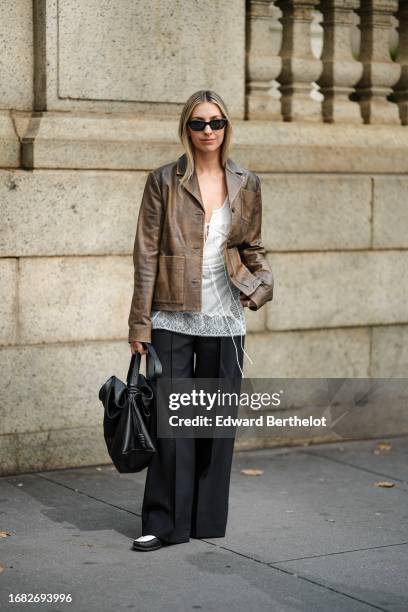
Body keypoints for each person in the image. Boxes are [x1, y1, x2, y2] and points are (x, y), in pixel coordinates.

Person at [128, 89, 273, 551]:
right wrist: (139, 324)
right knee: (173, 427)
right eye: (198, 123)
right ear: (186, 129)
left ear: (227, 127)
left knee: (214, 423)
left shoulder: (246, 182)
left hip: (227, 316)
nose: (207, 130)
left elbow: (252, 248)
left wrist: (263, 285)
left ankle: (205, 520)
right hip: (172, 314)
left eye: (216, 122)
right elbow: (146, 254)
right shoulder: (163, 181)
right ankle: (164, 523)